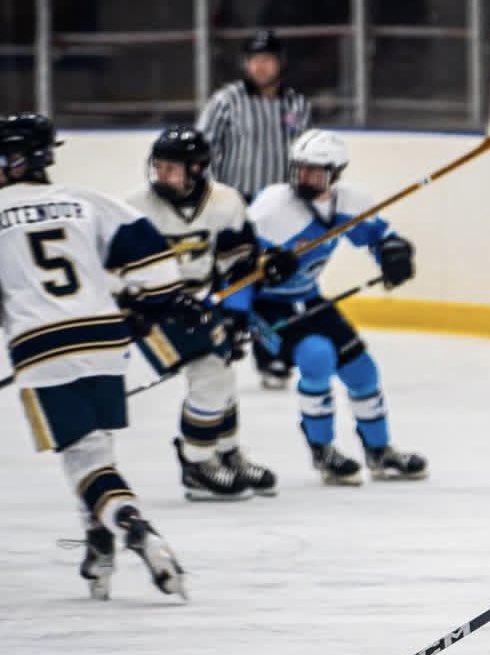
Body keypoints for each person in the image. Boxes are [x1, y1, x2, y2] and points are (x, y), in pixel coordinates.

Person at [0, 113, 187, 600]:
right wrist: (143, 313)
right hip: (106, 342)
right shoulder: (87, 201)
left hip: (43, 348)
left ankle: (134, 527)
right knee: (96, 452)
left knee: (83, 461)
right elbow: (160, 272)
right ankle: (99, 545)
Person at [224, 129, 427, 485]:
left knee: (363, 371)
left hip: (309, 297)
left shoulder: (348, 202)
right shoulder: (273, 207)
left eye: (314, 171)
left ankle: (380, 452)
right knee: (316, 358)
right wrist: (237, 312)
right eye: (299, 168)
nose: (303, 177)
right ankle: (325, 453)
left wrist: (392, 252)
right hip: (268, 306)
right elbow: (236, 265)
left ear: (335, 173)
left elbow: (377, 236)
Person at [126, 126, 281, 501]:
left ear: (196, 170)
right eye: (158, 166)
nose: (161, 175)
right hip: (152, 306)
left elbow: (240, 266)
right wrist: (152, 302)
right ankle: (196, 463)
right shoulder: (135, 208)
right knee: (210, 372)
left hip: (200, 301)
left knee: (223, 372)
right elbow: (121, 271)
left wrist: (236, 315)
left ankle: (225, 453)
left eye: (171, 168)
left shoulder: (225, 203)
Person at [197, 29, 311, 390]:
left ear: (280, 63)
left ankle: (274, 355)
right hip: (235, 206)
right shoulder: (225, 101)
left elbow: (306, 157)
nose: (261, 66)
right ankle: (221, 346)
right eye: (255, 60)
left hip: (279, 208)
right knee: (231, 281)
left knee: (274, 284)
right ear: (246, 64)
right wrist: (212, 201)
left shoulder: (296, 105)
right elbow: (202, 151)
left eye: (268, 59)